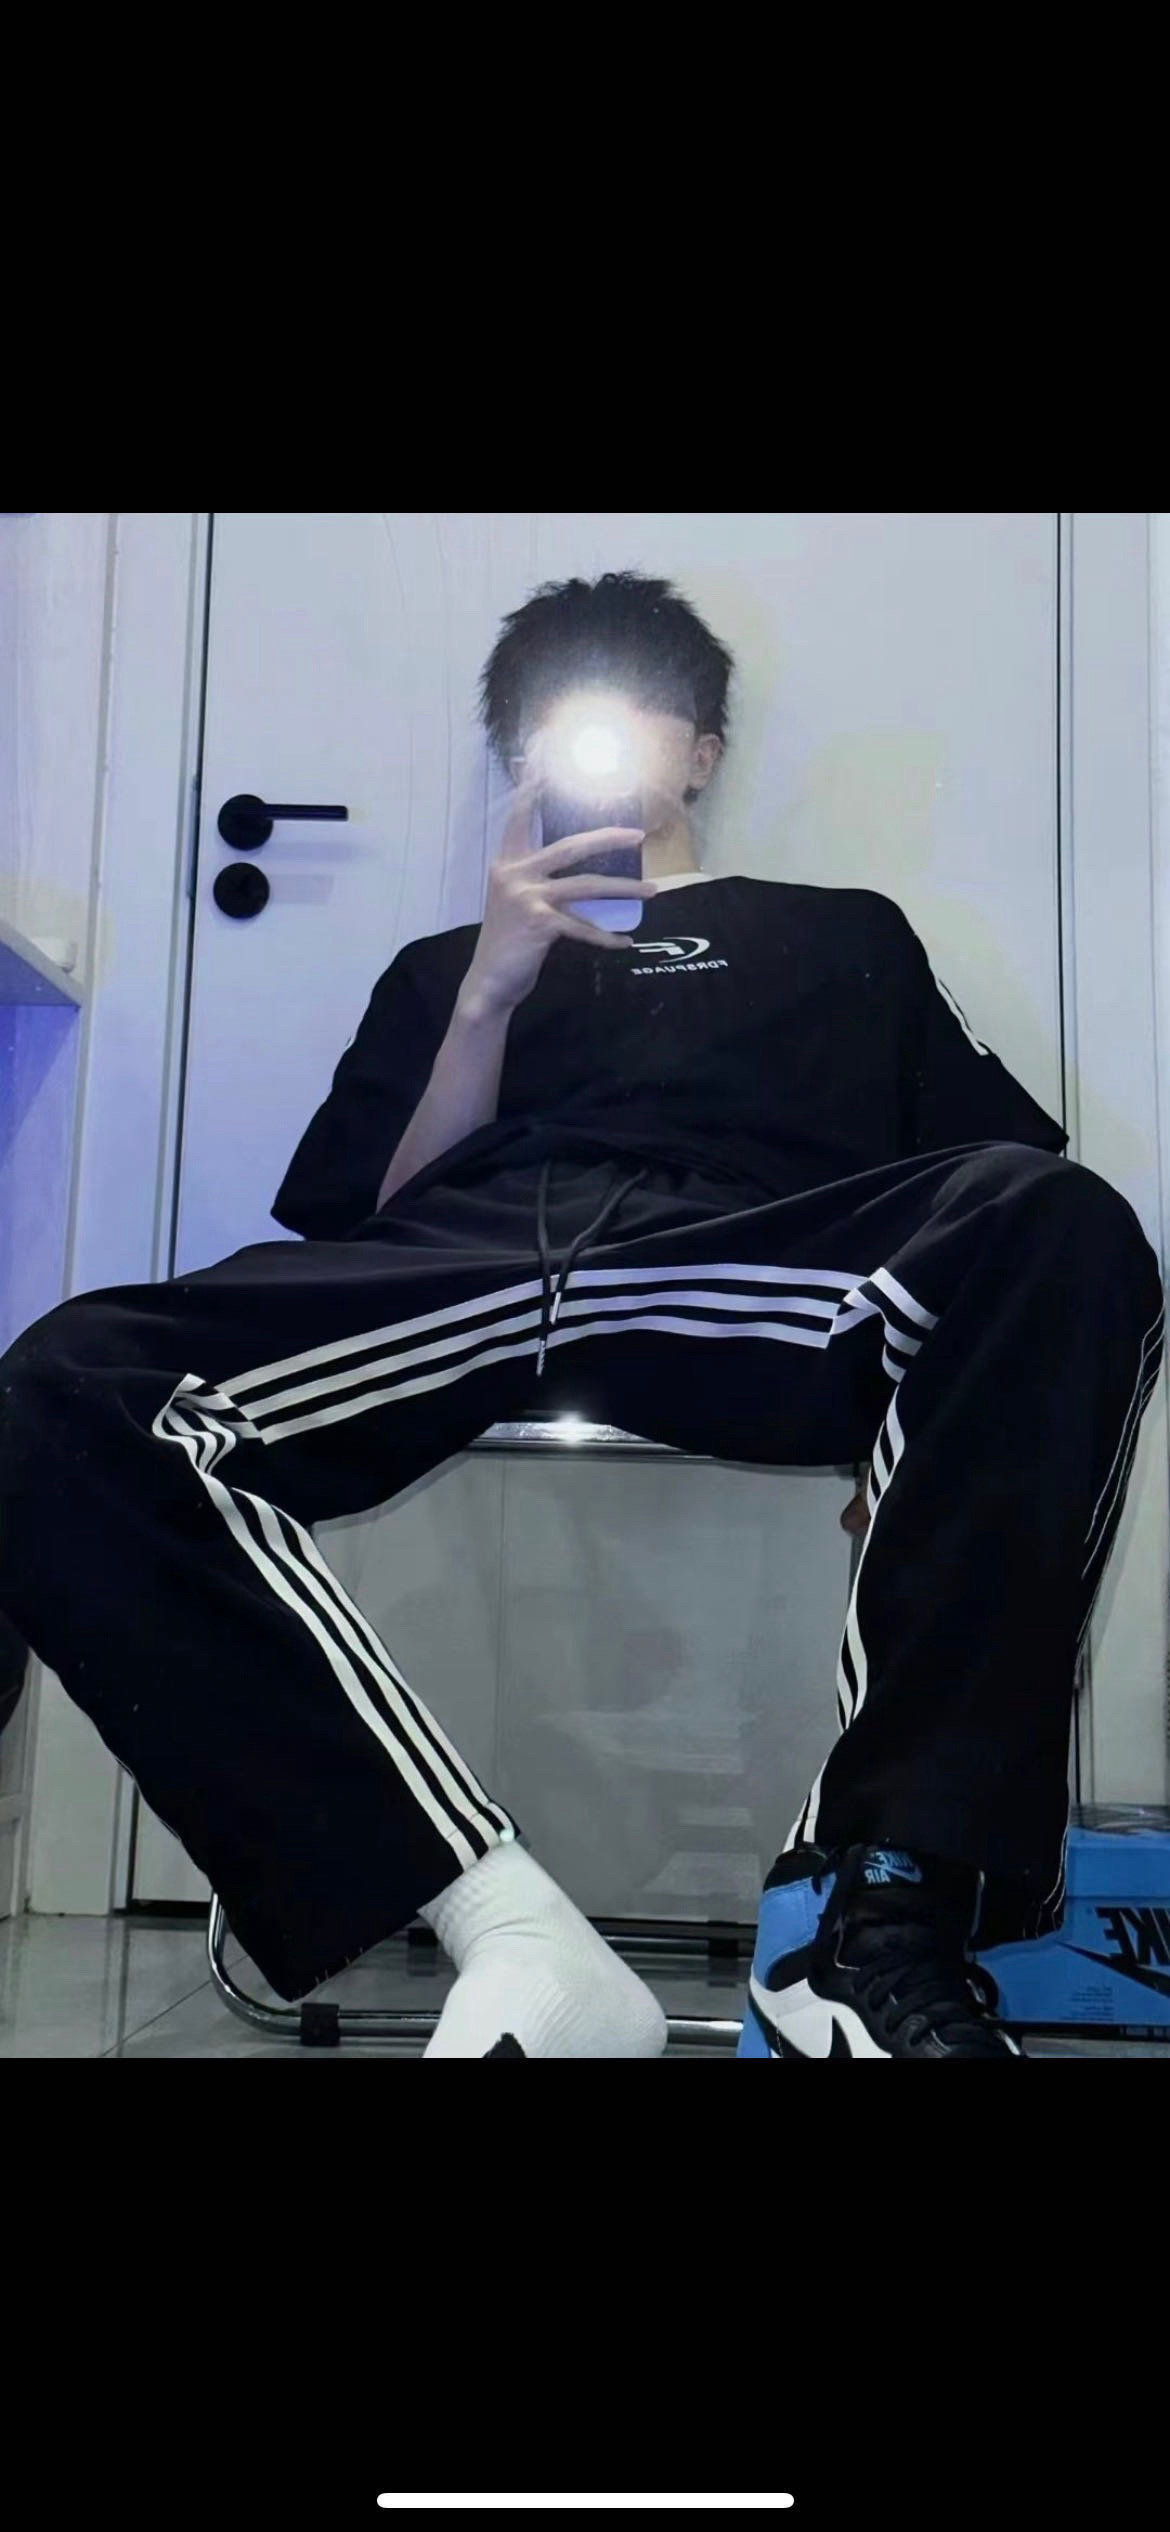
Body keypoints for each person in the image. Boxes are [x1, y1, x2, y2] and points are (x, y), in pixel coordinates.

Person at [0, 571, 1163, 2059]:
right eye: (559, 725)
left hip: (749, 1259)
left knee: (1067, 1224)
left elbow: (992, 1202)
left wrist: (948, 1406)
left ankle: (874, 1925)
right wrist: (491, 988)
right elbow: (374, 1227)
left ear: (701, 753)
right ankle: (506, 1929)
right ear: (519, 762)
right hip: (472, 1256)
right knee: (69, 1382)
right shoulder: (444, 965)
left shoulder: (840, 934)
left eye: (639, 718)